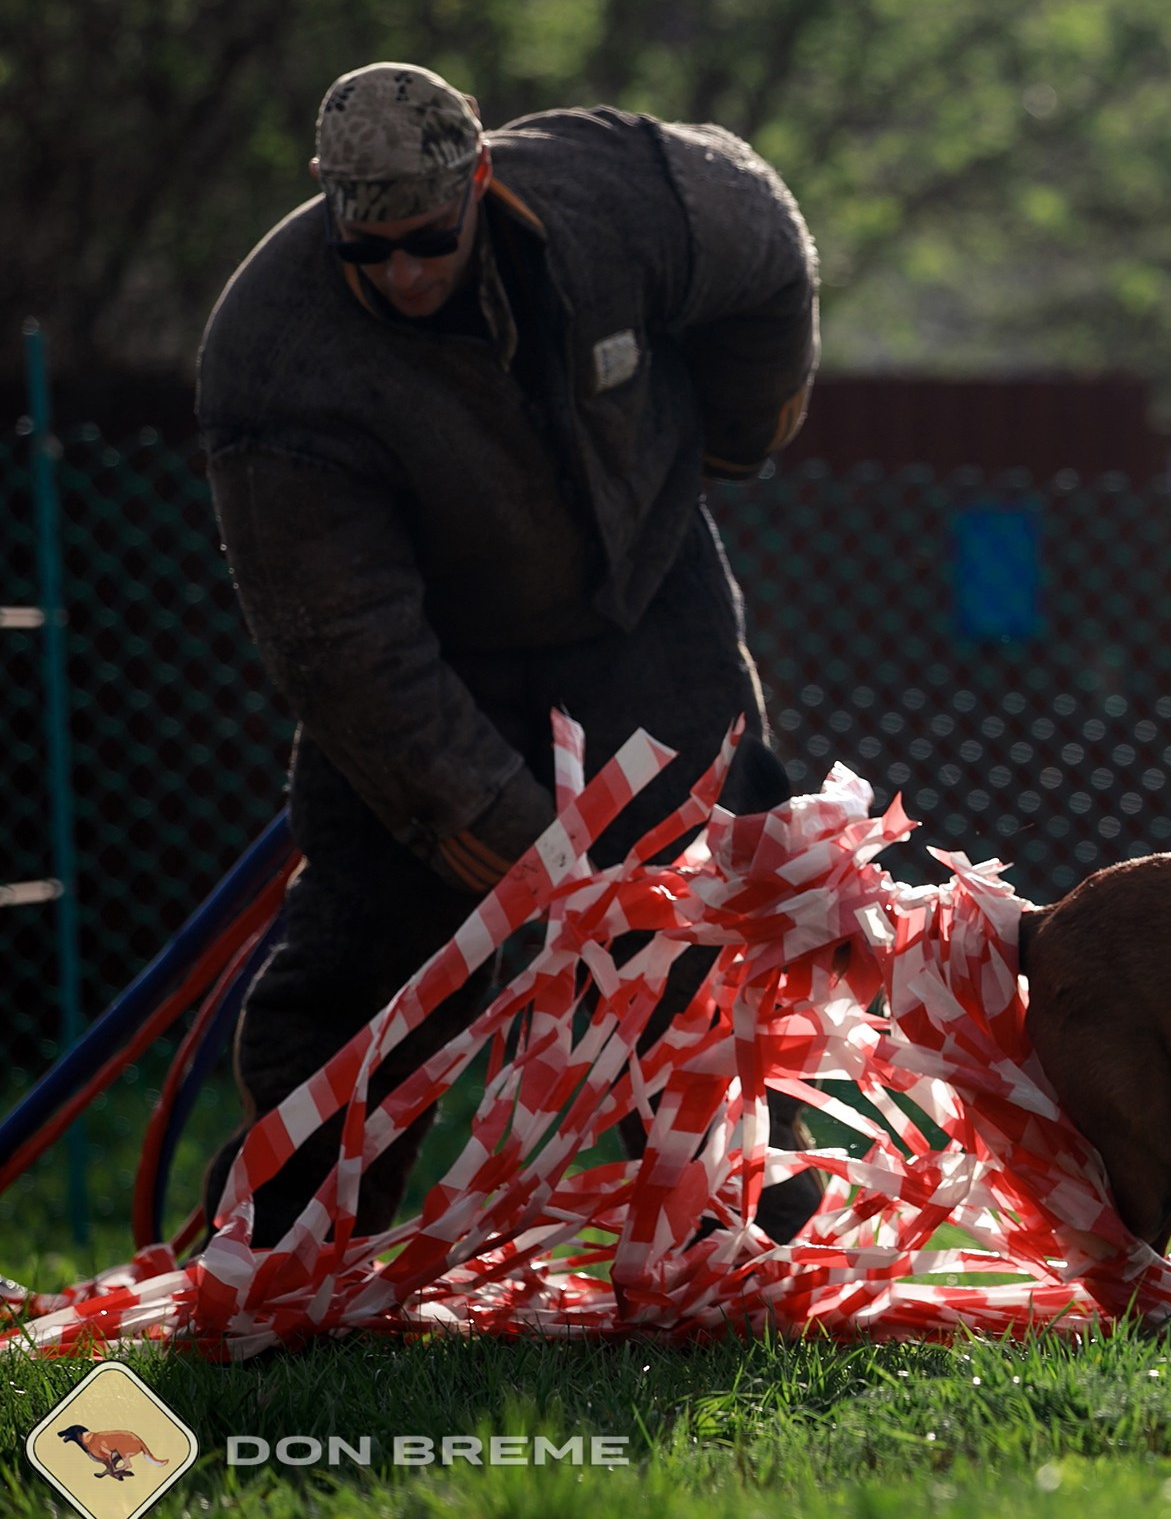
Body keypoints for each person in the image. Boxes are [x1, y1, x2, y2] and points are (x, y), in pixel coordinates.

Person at [196, 62, 823, 1247]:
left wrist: (740, 434)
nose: (400, 272)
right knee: (366, 961)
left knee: (686, 932)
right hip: (434, 660)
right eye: (365, 251)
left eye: (427, 241)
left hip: (645, 607)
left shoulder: (623, 197)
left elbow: (764, 244)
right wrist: (507, 835)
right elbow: (344, 641)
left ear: (478, 183)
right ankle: (287, 1259)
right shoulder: (273, 355)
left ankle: (739, 1241)